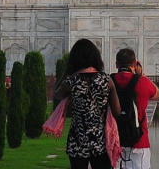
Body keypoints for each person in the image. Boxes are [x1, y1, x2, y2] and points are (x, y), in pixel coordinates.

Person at [52, 38, 122, 169]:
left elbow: (57, 94)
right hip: (100, 141)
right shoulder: (106, 80)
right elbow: (117, 111)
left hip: (78, 140)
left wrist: (67, 71)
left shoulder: (71, 81)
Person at [111, 47, 159, 169]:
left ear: (117, 64)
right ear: (135, 64)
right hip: (139, 140)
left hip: (114, 140)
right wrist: (142, 75)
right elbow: (156, 94)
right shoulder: (142, 81)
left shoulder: (108, 81)